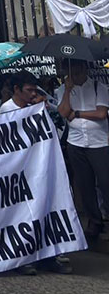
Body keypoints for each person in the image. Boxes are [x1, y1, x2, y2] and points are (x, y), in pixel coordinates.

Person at [57, 60, 109, 242]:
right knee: (85, 184)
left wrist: (77, 114)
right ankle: (95, 220)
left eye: (78, 68)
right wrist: (68, 90)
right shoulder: (64, 90)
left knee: (105, 181)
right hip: (76, 142)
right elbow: (63, 112)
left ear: (84, 69)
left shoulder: (98, 87)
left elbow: (101, 113)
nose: (75, 72)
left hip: (98, 142)